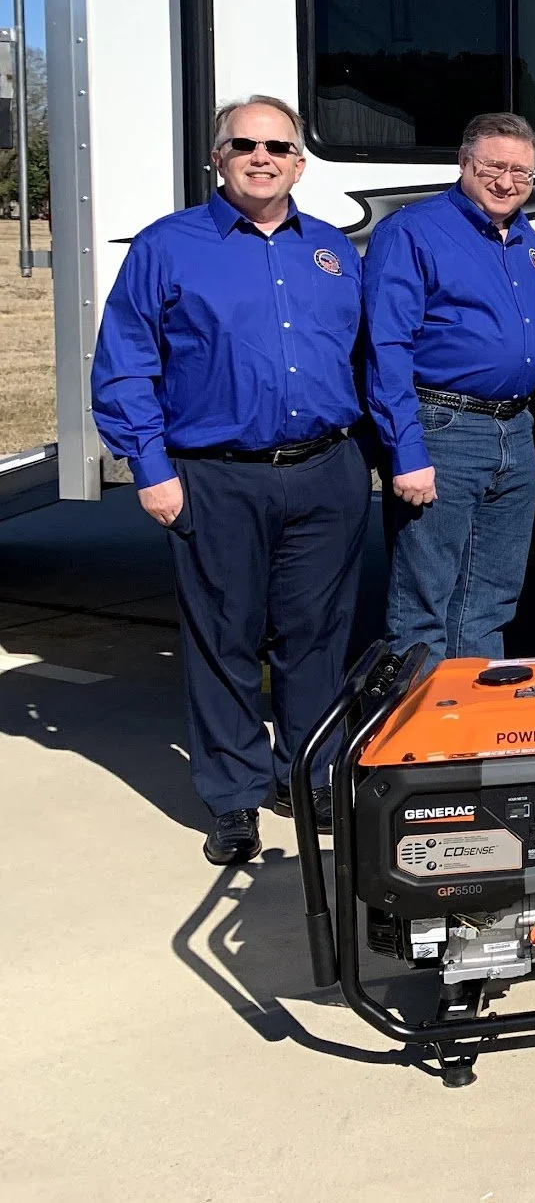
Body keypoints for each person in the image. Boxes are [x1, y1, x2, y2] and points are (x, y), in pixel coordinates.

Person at [91, 97, 371, 865]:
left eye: (277, 146)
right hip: (215, 477)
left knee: (316, 639)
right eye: (243, 143)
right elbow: (124, 366)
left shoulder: (333, 252)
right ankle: (235, 797)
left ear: (299, 163)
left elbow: (365, 357)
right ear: (217, 157)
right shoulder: (168, 247)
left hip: (325, 472)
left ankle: (309, 775)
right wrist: (150, 470)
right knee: (224, 638)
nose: (261, 156)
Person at [366, 112, 535, 662]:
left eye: (522, 171)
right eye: (494, 166)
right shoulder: (412, 232)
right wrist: (405, 450)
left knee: (491, 598)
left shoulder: (527, 241)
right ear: (464, 163)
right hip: (443, 427)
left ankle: (466, 723)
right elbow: (386, 348)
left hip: (513, 430)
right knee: (425, 597)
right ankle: (414, 731)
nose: (507, 182)